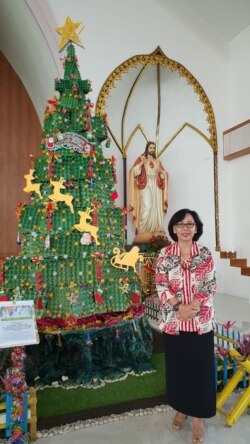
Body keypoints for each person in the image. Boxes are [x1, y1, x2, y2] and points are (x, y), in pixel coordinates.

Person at [155, 209, 216, 444]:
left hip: (200, 321)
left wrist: (193, 306)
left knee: (201, 370)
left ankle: (199, 417)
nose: (185, 228)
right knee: (179, 368)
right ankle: (181, 408)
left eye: (190, 224)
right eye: (180, 224)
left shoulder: (205, 253)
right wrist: (179, 306)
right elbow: (161, 284)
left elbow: (210, 282)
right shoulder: (164, 254)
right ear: (173, 228)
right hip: (175, 321)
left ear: (196, 228)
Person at [128, 141, 168, 243]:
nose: (152, 150)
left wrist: (162, 173)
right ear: (147, 148)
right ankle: (143, 229)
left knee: (156, 207)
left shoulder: (157, 161)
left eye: (154, 148)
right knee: (147, 205)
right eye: (150, 147)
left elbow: (164, 173)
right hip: (145, 185)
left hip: (156, 185)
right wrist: (142, 163)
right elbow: (133, 172)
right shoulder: (141, 158)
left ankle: (156, 228)